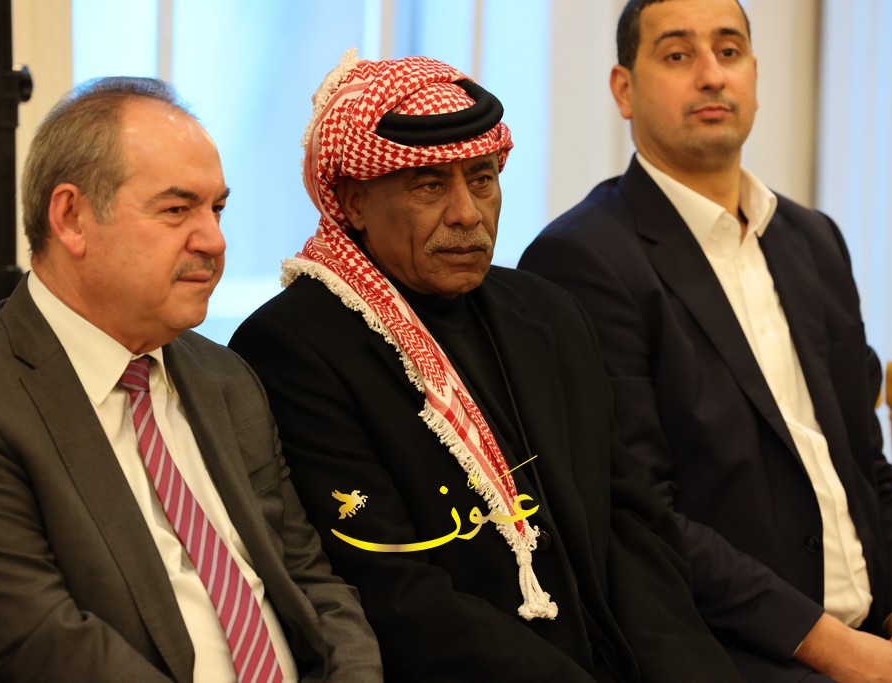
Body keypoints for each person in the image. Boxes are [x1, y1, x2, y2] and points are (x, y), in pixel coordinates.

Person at [229, 50, 741, 683]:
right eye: (429, 186)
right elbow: (391, 590)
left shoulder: (547, 312)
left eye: (481, 179)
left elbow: (632, 526)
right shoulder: (295, 346)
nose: (467, 213)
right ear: (355, 202)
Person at [518, 1, 892, 681]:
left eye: (729, 51)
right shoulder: (583, 259)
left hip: (883, 641)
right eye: (677, 55)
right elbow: (642, 514)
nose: (712, 75)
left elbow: (867, 463)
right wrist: (834, 648)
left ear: (754, 73)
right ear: (624, 90)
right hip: (736, 652)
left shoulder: (815, 240)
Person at [0, 77, 382, 683]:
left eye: (217, 209)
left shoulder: (224, 376)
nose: (214, 241)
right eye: (176, 210)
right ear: (71, 218)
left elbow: (311, 582)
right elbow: (39, 639)